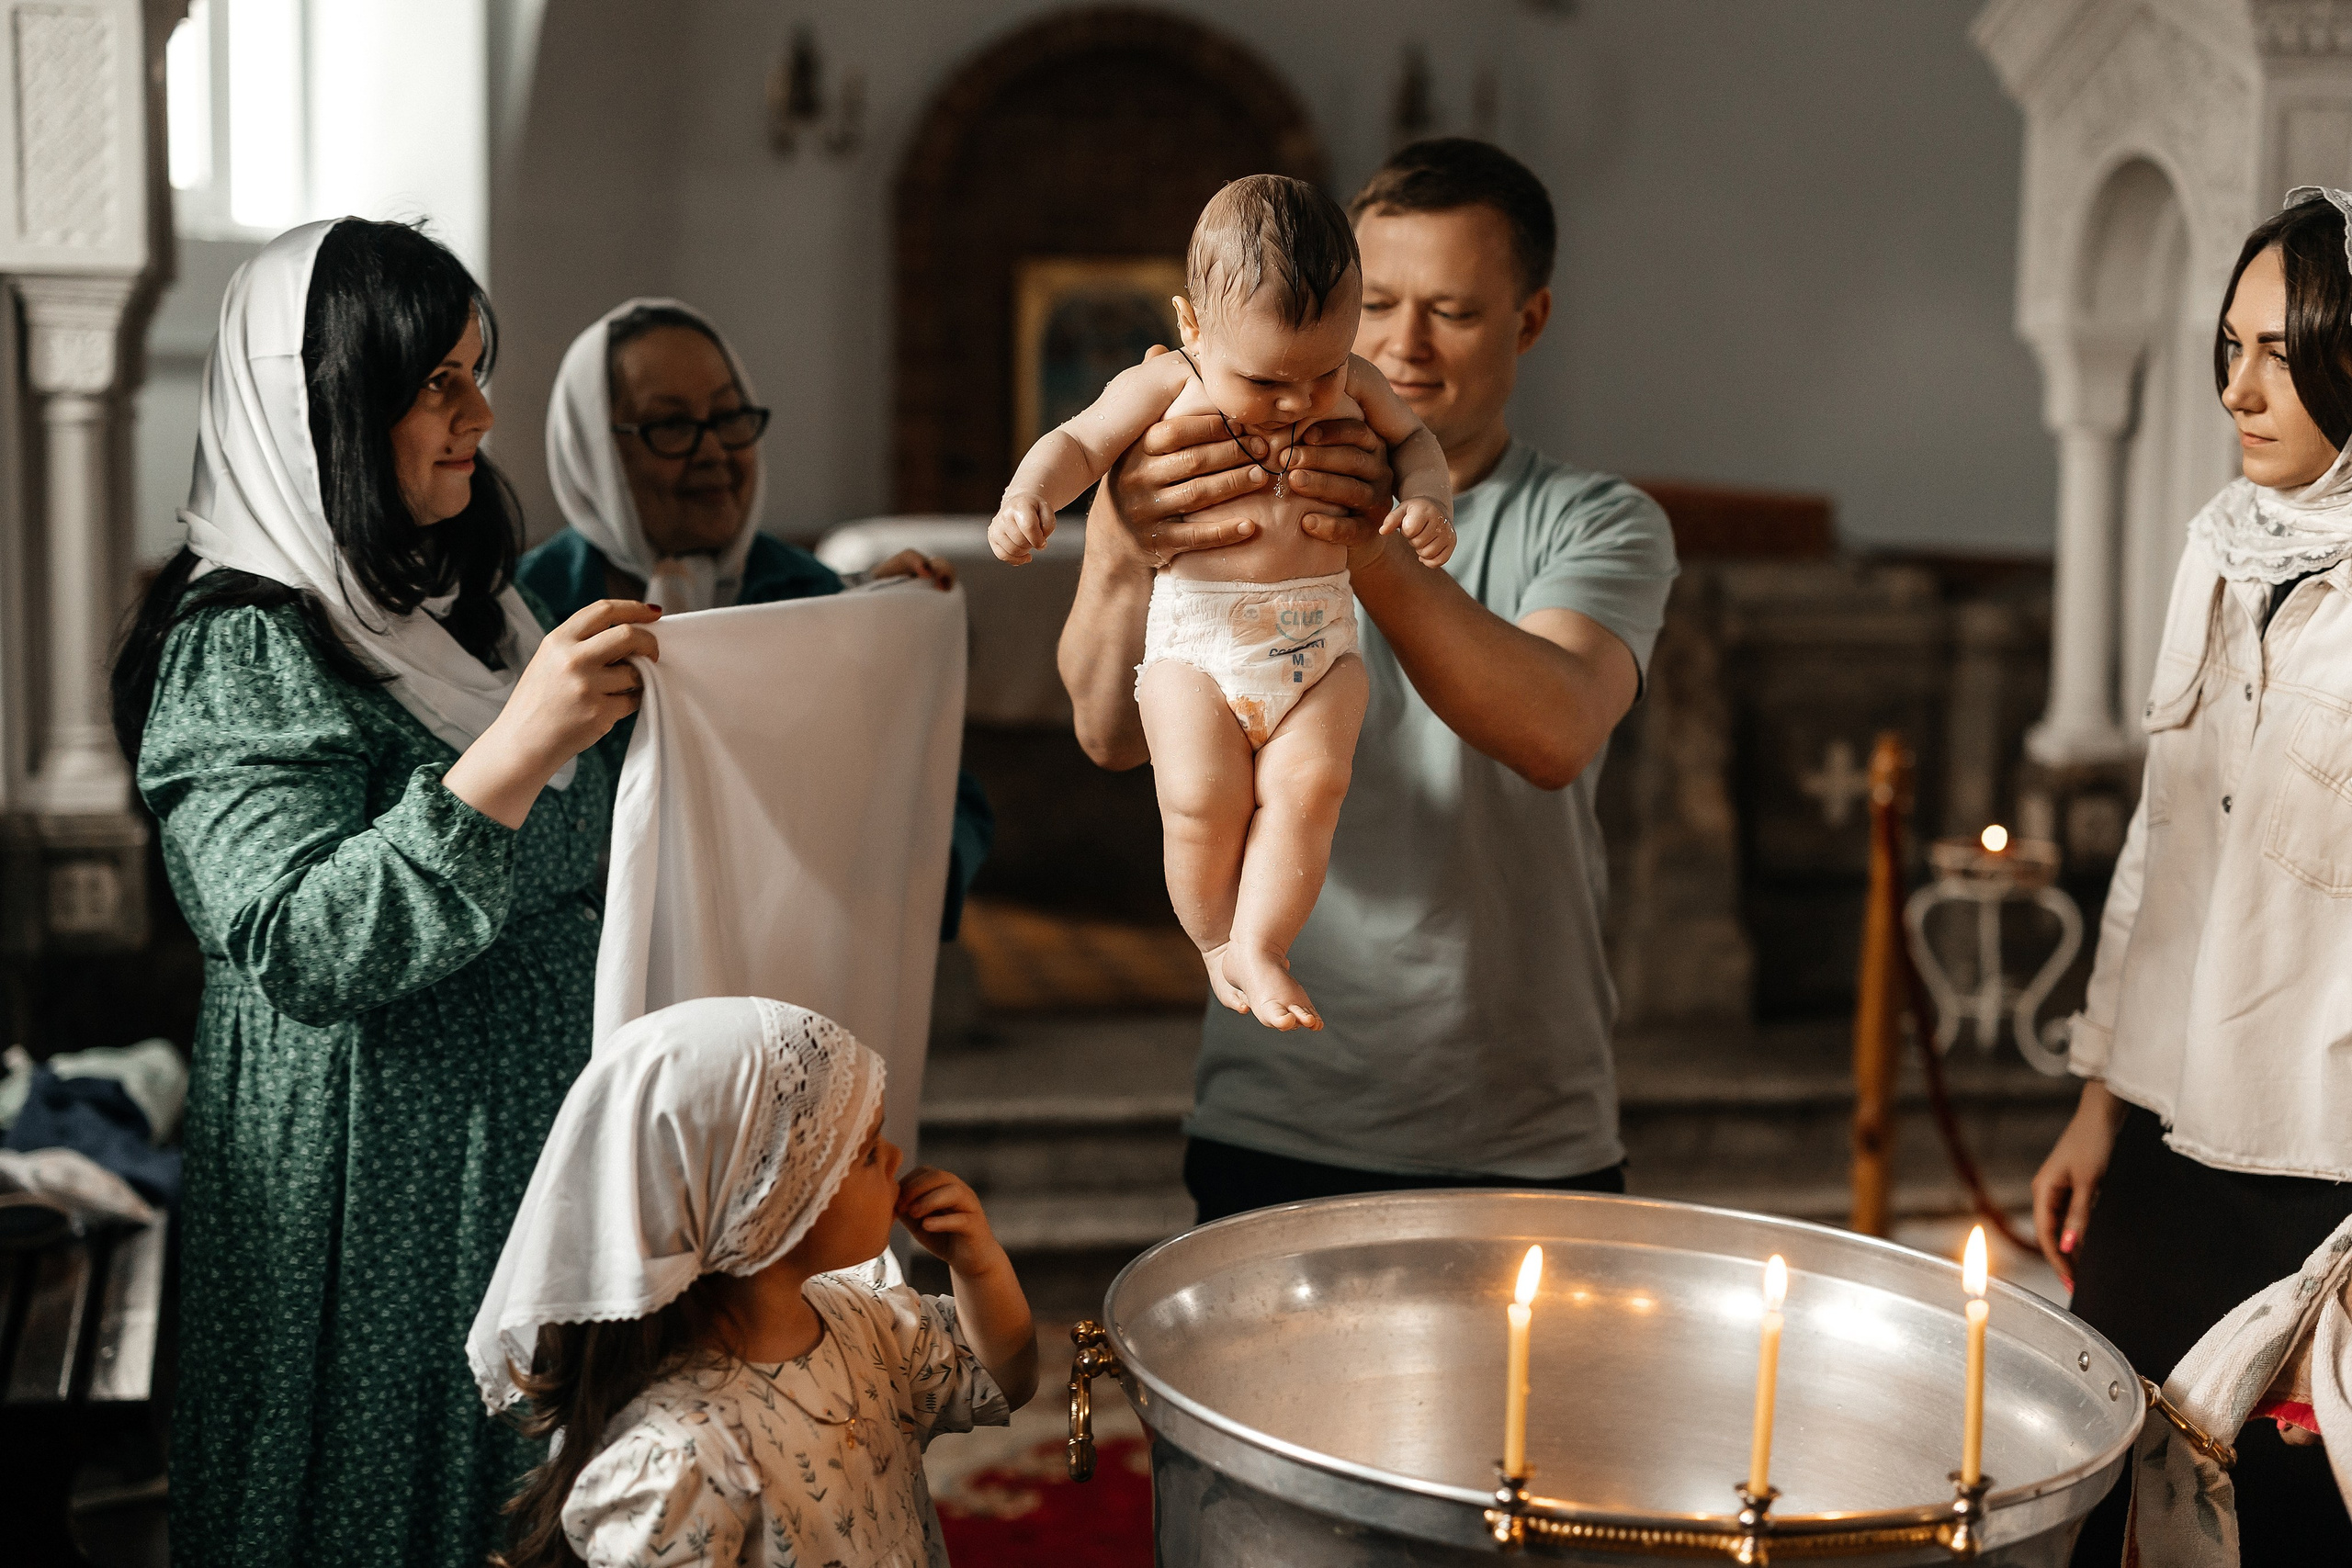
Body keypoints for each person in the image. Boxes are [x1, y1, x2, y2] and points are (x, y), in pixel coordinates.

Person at [108, 220, 659, 1564]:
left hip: (524, 1173)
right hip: (372, 1207)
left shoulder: (462, 609)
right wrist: (518, 749)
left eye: (478, 371)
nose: (481, 414)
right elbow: (299, 940)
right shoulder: (242, 643)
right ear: (329, 407)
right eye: (437, 384)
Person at [1057, 139, 1679, 1224]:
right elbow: (1113, 736)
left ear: (1529, 320)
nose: (1405, 344)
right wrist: (1118, 539)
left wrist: (1372, 542)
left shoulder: (1595, 519)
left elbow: (1554, 731)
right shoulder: (1189, 471)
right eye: (1379, 303)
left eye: (1456, 311)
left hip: (1520, 1119)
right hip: (1283, 1104)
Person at [2030, 187, 2352, 1562]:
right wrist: (2099, 1100)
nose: (2240, 386)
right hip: (2168, 1121)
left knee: (2283, 1528)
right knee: (2105, 1484)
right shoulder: (2221, 545)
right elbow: (2160, 847)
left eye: (2284, 351)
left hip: (2324, 1147)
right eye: (2230, 344)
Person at [992, 175, 1454, 1031]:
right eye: (1267, 380)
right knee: (1203, 800)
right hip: (1198, 646)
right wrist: (1030, 496)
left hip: (1318, 643)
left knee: (1311, 788)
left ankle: (1262, 942)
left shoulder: (1350, 380)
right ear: (1191, 325)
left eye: (1323, 372)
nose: (1300, 402)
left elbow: (1414, 441)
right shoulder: (1167, 383)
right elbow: (1078, 442)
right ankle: (1212, 942)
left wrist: (1426, 499)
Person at [470, 996, 1036, 1567]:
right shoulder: (682, 1460)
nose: (896, 1158)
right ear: (766, 1204)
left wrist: (978, 1265)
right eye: (865, 1152)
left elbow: (1001, 1378)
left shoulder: (865, 1323)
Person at [518, 300, 993, 938]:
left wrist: (881, 645)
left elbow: (945, 798)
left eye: (729, 417)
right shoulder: (528, 611)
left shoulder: (807, 593)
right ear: (593, 452)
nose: (714, 451)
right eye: (671, 426)